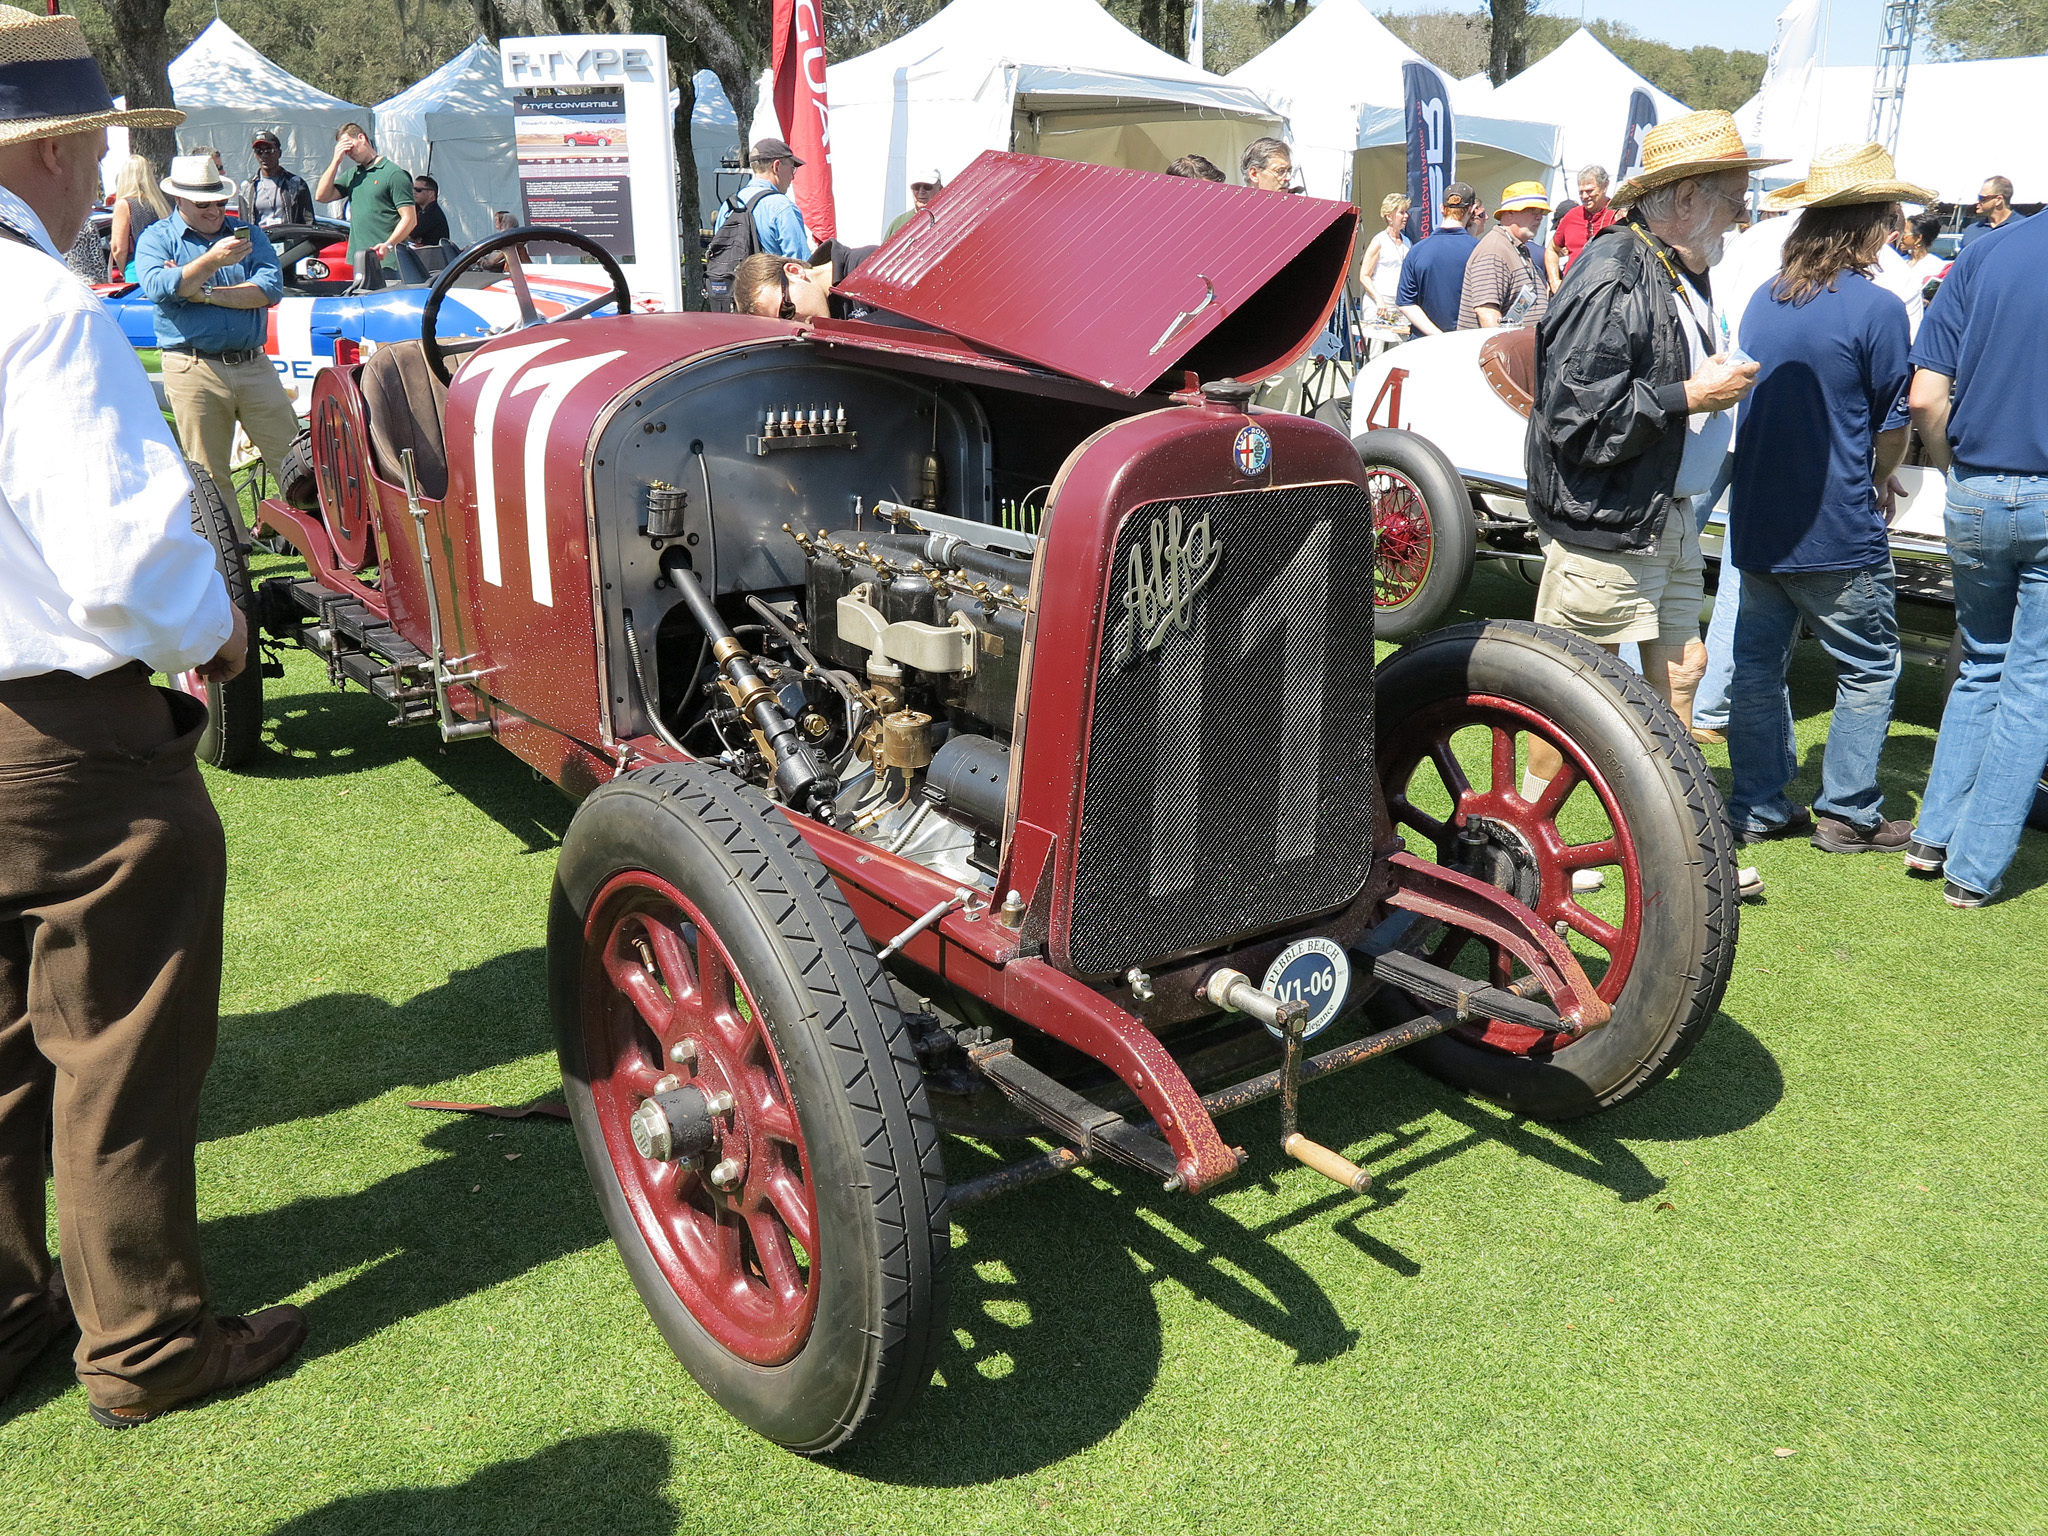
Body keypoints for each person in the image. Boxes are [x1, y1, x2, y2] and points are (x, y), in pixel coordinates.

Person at [0, 1, 305, 1429]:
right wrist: (221, 628)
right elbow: (127, 562)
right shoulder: (44, 308)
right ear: (56, 153)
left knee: (4, 1045)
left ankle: (14, 1309)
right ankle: (148, 1348)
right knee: (117, 1040)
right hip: (65, 735)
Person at [1522, 111, 1783, 797]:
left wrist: (1696, 387)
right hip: (1609, 521)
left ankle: (1684, 844)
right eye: (1733, 198)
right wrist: (1692, 396)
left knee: (1683, 668)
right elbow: (1577, 418)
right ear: (1688, 197)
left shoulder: (1671, 266)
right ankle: (1519, 845)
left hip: (1660, 511)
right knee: (1576, 694)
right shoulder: (1616, 272)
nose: (1742, 215)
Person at [1723, 143, 1930, 853]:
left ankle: (1757, 802)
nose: (1897, 227)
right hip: (1835, 524)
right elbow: (1892, 424)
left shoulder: (1764, 298)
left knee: (1757, 665)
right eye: (1891, 216)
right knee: (1869, 666)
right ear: (1869, 223)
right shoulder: (1875, 307)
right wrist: (1881, 476)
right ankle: (1847, 811)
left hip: (1760, 520)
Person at [1905, 173, 2048, 906]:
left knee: (1982, 665)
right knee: (2032, 682)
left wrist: (1956, 470)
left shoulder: (1986, 252)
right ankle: (1974, 870)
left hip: (1977, 486)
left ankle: (1932, 839)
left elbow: (1926, 393)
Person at [135, 156, 299, 541]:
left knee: (293, 458)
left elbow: (268, 291)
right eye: (203, 204)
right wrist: (212, 261)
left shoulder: (249, 234)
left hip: (254, 364)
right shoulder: (157, 237)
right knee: (209, 472)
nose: (214, 211)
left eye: (218, 202)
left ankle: (318, 542)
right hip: (193, 366)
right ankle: (233, 560)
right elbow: (159, 288)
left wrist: (199, 291)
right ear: (180, 200)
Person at [313, 122, 414, 277]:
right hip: (360, 262)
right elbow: (321, 196)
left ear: (362, 138)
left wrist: (388, 245)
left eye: (350, 146)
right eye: (344, 150)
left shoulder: (393, 174)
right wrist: (335, 161)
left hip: (389, 264)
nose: (349, 153)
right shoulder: (353, 175)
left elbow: (410, 219)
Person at [1458, 181, 1551, 329]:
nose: (1539, 217)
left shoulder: (1515, 247)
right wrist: (1504, 351)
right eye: (1532, 210)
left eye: (1541, 212)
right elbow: (1486, 312)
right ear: (1510, 212)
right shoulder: (1494, 251)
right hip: (1498, 350)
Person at [1393, 182, 1480, 336]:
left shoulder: (1416, 251)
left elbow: (1406, 303)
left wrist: (1438, 336)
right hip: (1465, 344)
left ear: (1441, 208)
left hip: (1423, 346)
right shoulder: (1479, 251)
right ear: (1472, 210)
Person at [712, 138, 812, 260]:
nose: (793, 177)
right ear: (777, 166)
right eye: (792, 168)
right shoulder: (783, 207)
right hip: (768, 278)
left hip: (731, 278)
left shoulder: (729, 205)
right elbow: (800, 263)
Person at [1546, 164, 1616, 291]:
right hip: (1571, 292)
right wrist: (1554, 281)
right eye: (1581, 192)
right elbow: (1551, 249)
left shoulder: (1618, 215)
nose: (1584, 196)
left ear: (1605, 186)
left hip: (1604, 293)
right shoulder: (1572, 216)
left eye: (1589, 191)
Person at [108, 152, 166, 278]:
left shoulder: (124, 204)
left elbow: (119, 248)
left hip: (137, 270)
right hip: (165, 267)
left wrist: (123, 270)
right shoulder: (161, 204)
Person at [240, 130, 311, 230]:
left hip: (290, 241)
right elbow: (243, 223)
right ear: (255, 155)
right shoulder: (247, 187)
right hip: (260, 242)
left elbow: (308, 221)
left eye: (269, 151)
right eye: (259, 151)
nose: (264, 156)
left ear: (279, 153)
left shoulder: (296, 184)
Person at [1357, 192, 1410, 314]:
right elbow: (1364, 275)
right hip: (1379, 304)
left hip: (1400, 304)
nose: (1406, 216)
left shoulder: (1407, 242)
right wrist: (1378, 299)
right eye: (1401, 212)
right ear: (1389, 216)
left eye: (1406, 212)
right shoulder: (1379, 241)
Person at [1955, 175, 2024, 251]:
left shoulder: (2023, 227)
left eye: (1982, 198)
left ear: (1998, 200)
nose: (1977, 202)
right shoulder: (1972, 230)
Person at [884, 168, 945, 236]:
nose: (921, 192)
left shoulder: (948, 220)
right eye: (916, 187)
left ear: (940, 189)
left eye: (927, 187)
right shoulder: (897, 224)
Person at [407, 173, 449, 247]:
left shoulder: (432, 213)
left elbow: (407, 234)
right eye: (413, 189)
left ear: (431, 193)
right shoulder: (421, 210)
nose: (414, 192)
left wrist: (410, 238)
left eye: (418, 190)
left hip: (431, 256)